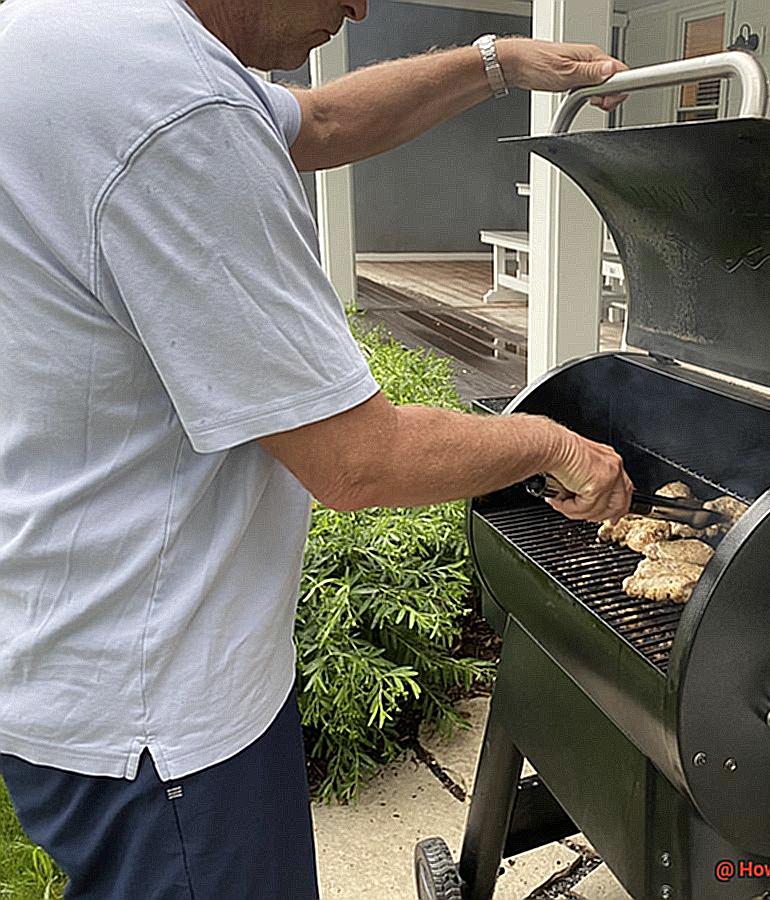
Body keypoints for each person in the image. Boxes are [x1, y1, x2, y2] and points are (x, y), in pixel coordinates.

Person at [0, 0, 632, 896]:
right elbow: (358, 459)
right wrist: (553, 443)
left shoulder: (82, 37)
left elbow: (324, 118)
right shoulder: (175, 111)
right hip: (161, 718)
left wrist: (498, 61)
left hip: (70, 647)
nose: (360, 8)